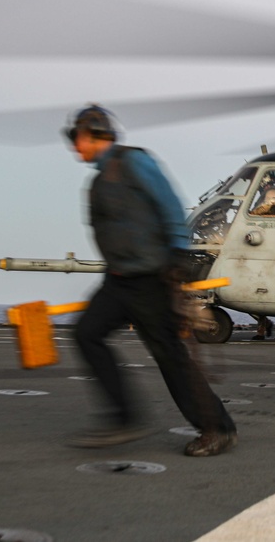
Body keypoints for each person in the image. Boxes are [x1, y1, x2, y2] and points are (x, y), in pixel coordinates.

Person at [62, 105, 237, 456]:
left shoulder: (134, 162)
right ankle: (124, 417)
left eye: (78, 137)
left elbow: (170, 206)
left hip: (152, 279)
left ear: (96, 133)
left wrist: (177, 258)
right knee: (86, 333)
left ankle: (217, 428)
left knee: (171, 356)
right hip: (118, 280)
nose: (74, 146)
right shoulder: (98, 181)